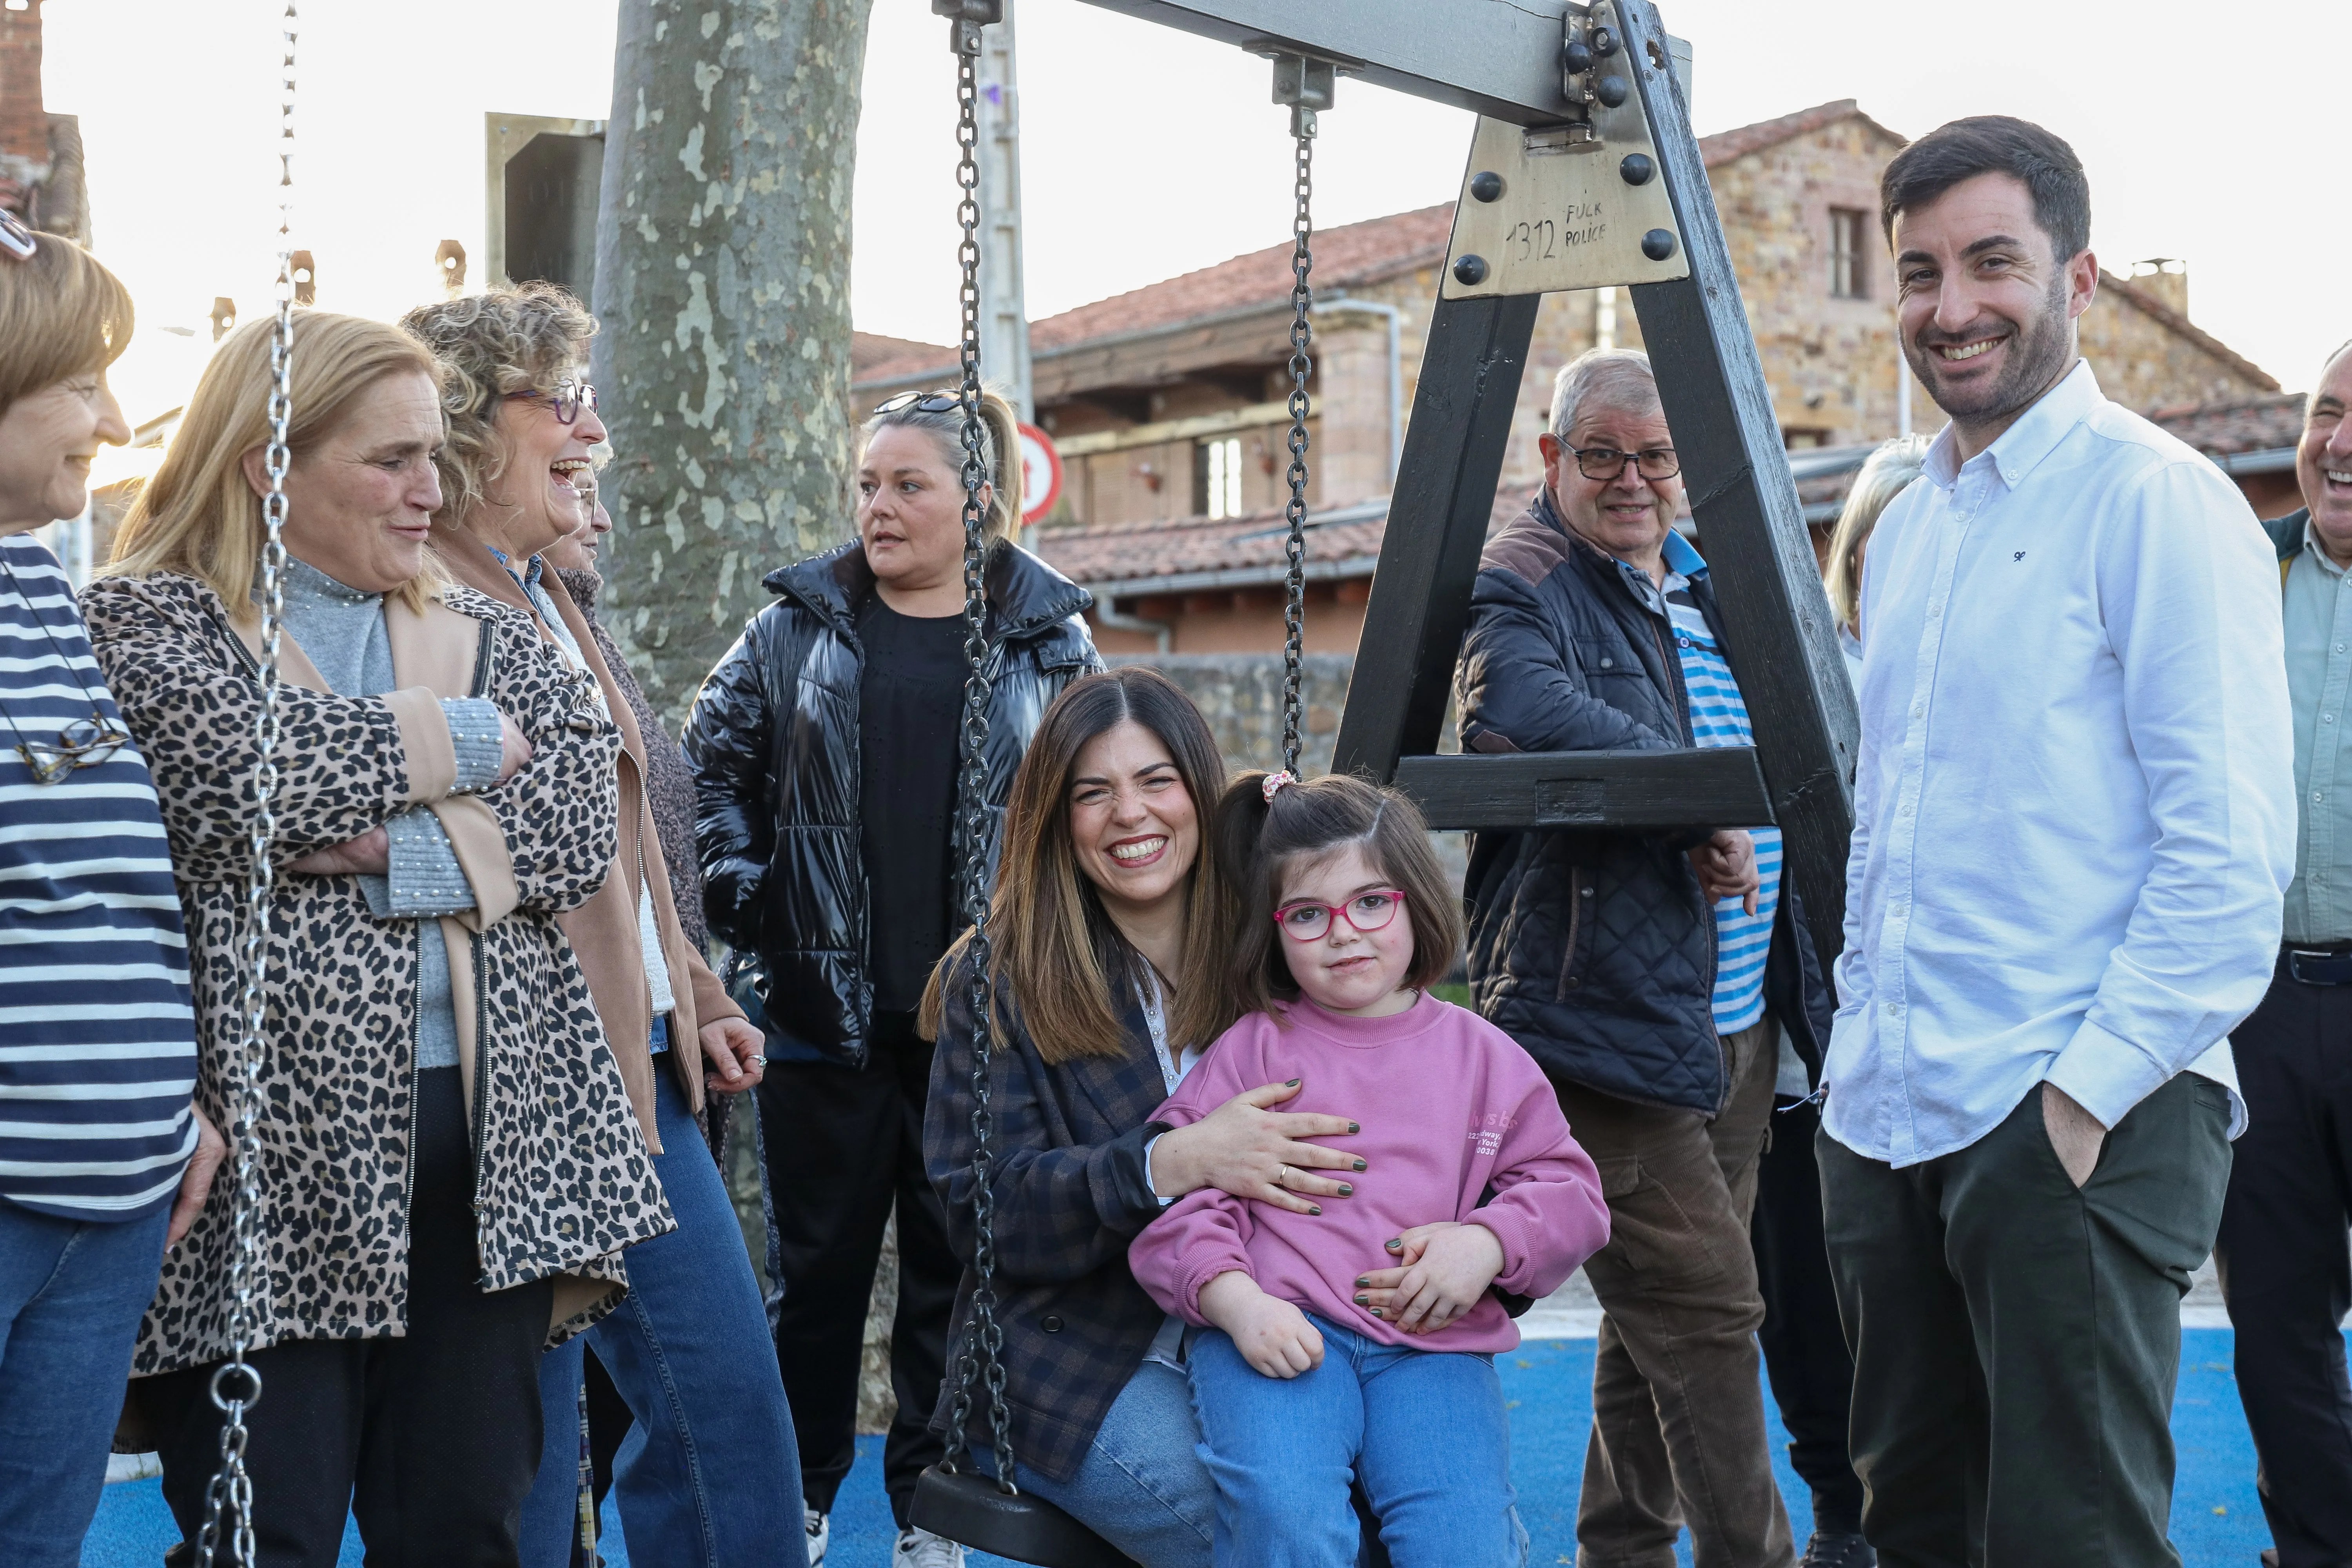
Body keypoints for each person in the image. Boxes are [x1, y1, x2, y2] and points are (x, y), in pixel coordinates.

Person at [88, 309, 665, 1566]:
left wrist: (372, 850)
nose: (430, 491)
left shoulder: (478, 616)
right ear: (270, 465)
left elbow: (574, 816)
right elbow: (244, 777)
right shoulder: (148, 622)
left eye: (436, 459)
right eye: (393, 458)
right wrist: (461, 752)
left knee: (464, 1530)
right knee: (264, 1533)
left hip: (491, 1150)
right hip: (269, 1163)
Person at [1819, 116, 2295, 1567]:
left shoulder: (2158, 506)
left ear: (2076, 279)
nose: (1948, 306)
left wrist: (2074, 1102)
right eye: (1915, 271)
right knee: (1918, 1533)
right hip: (1888, 1113)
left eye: (1989, 263)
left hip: (2066, 1108)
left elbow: (2226, 864)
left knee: (2069, 1543)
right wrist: (1853, 1069)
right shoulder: (1906, 530)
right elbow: (1891, 827)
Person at [394, 285, 801, 1568]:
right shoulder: (417, 607)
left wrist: (697, 989)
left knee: (713, 1416)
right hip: (523, 1078)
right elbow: (379, 858)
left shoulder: (543, 593)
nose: (594, 427)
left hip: (638, 1067)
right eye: (557, 402)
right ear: (466, 425)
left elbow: (625, 848)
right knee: (541, 1453)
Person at [688, 387, 1098, 1566]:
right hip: (823, 1021)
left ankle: (931, 1511)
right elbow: (705, 769)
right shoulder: (793, 627)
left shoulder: (1050, 635)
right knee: (811, 1283)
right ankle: (799, 1501)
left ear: (979, 500)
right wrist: (751, 896)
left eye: (905, 484)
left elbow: (1103, 792)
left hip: (983, 1025)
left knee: (954, 1278)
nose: (877, 506)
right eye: (866, 484)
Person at [1453, 346, 1835, 1568]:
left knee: (1653, 1316)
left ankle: (1616, 1550)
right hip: (1601, 1015)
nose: (1632, 479)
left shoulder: (1704, 581)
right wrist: (1695, 810)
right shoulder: (1523, 579)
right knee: (1711, 1313)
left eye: (1655, 456)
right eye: (1603, 453)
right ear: (1551, 456)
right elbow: (1519, 716)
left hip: (1727, 1016)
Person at [920, 667, 1370, 1566]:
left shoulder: (1274, 947)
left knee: (1418, 1498)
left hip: (1266, 1316)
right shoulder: (1004, 977)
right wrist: (1171, 1161)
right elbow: (983, 1211)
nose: (1131, 814)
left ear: (1198, 792)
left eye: (1156, 781)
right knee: (1288, 1528)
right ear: (1058, 819)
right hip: (1080, 1356)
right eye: (1094, 792)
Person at [1128, 770, 1610, 1567]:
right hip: (1279, 1331)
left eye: (1371, 902)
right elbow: (1178, 1202)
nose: (1344, 933)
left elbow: (1570, 1192)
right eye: (1310, 914)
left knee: (1464, 1542)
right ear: (1276, 929)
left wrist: (1486, 1243)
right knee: (1286, 1516)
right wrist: (1238, 1301)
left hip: (1429, 1347)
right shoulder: (1254, 1049)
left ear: (1415, 901)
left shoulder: (1482, 1055)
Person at [0, 220, 221, 1567]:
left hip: (119, 1192)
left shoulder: (38, 579)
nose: (118, 418)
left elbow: (109, 884)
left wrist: (169, 1101)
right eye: (83, 381)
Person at [1742, 431, 1931, 1568]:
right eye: (1883, 548)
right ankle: (1841, 1515)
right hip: (1810, 1055)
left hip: (1944, 1055)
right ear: (1855, 557)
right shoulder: (1806, 684)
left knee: (1923, 1310)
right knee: (1805, 1302)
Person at [2219, 336, 2352, 1566]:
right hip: (2253, 1006)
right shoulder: (2237, 581)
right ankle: (2315, 1546)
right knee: (2272, 1323)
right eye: (2326, 411)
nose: (2338, 442)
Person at [1819, 434, 1929, 689]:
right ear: (1853, 544)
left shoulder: (1942, 671)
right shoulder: (1811, 649)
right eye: (1886, 530)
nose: (1901, 552)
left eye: (1918, 535)